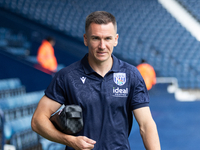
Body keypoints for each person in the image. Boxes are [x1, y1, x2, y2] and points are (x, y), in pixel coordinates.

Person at [31, 11, 160, 150]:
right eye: (96, 38)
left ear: (116, 39)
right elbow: (38, 121)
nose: (102, 46)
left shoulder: (131, 75)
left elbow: (146, 125)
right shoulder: (67, 76)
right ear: (86, 39)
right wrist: (70, 140)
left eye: (108, 38)